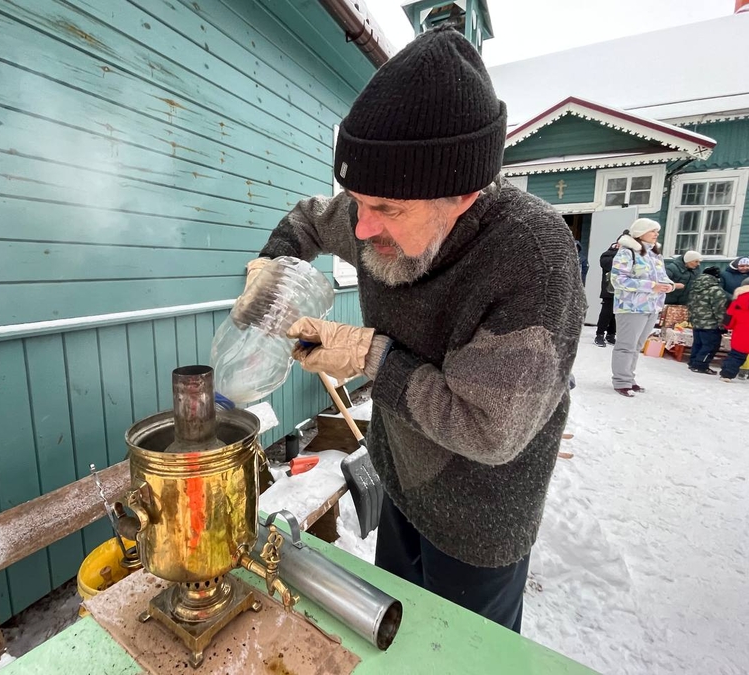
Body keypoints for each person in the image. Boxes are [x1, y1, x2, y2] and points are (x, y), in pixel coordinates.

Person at [240, 25, 585, 633]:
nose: (362, 228)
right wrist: (275, 267)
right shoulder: (380, 202)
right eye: (358, 199)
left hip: (481, 515)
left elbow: (488, 429)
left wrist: (370, 356)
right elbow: (309, 219)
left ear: (464, 195)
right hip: (402, 478)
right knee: (392, 635)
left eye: (387, 211)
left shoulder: (533, 257)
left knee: (457, 656)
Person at [610, 219, 674, 397]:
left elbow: (663, 276)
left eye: (657, 231)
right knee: (626, 345)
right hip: (631, 307)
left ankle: (629, 378)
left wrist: (669, 285)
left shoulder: (655, 253)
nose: (656, 234)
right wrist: (650, 286)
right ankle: (621, 381)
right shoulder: (626, 252)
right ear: (640, 232)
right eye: (652, 231)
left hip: (651, 307)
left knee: (637, 346)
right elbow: (618, 280)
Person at [686, 267, 728, 375]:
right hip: (710, 324)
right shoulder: (715, 290)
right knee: (711, 345)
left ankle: (693, 362)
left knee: (698, 343)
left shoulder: (695, 287)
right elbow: (720, 309)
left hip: (696, 321)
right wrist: (723, 324)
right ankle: (700, 365)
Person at [594, 239, 620, 347]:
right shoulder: (608, 254)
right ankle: (599, 335)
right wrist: (618, 254)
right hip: (609, 289)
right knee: (606, 312)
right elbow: (607, 265)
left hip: (622, 290)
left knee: (617, 314)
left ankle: (611, 334)